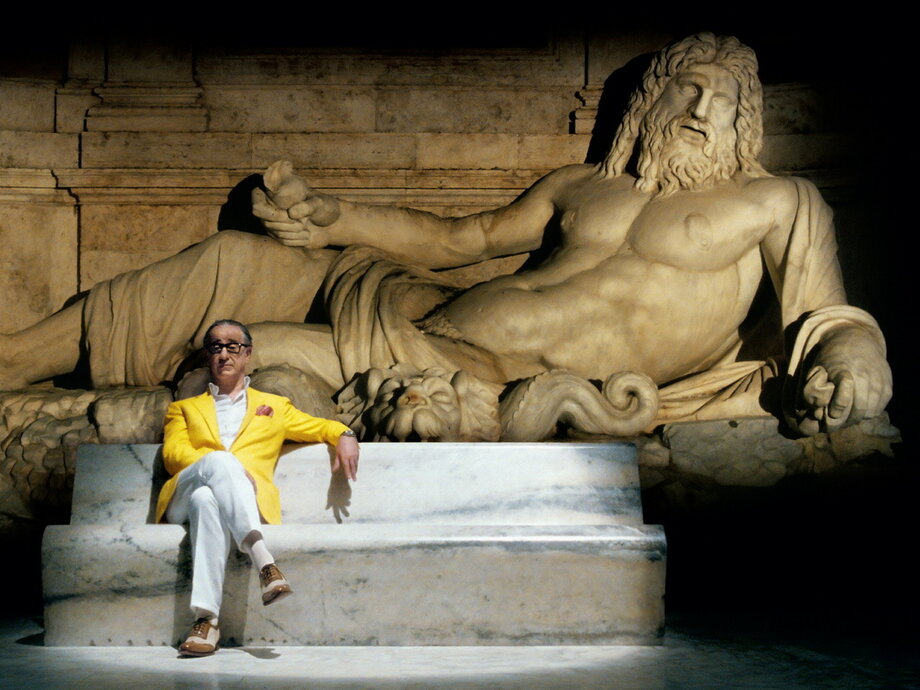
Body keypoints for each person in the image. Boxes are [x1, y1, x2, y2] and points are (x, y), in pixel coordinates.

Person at [0, 32, 891, 436]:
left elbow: (831, 317)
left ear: (745, 122)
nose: (700, 107)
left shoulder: (779, 203)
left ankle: (86, 413)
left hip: (488, 379)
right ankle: (17, 358)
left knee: (248, 351)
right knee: (238, 256)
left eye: (722, 99)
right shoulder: (582, 185)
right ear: (650, 102)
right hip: (427, 313)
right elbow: (460, 238)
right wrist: (334, 217)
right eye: (684, 89)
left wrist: (855, 365)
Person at [158, 318, 359, 656]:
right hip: (184, 492)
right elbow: (174, 455)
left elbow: (319, 426)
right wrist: (227, 466)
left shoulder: (274, 407)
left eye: (232, 346)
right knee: (215, 469)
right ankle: (264, 560)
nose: (224, 354)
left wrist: (346, 434)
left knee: (207, 500)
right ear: (208, 356)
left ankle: (206, 621)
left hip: (223, 500)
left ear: (247, 353)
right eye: (215, 347)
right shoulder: (183, 409)